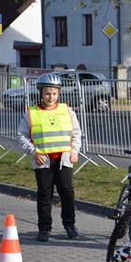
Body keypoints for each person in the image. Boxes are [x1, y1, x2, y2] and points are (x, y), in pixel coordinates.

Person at [17, 73, 82, 241]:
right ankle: (44, 228)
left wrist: (75, 151)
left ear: (58, 93)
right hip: (43, 160)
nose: (51, 96)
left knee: (67, 192)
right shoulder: (32, 113)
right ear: (41, 92)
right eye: (47, 93)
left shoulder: (67, 111)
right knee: (45, 194)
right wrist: (34, 151)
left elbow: (76, 133)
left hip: (64, 159)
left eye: (54, 93)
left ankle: (69, 225)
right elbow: (22, 135)